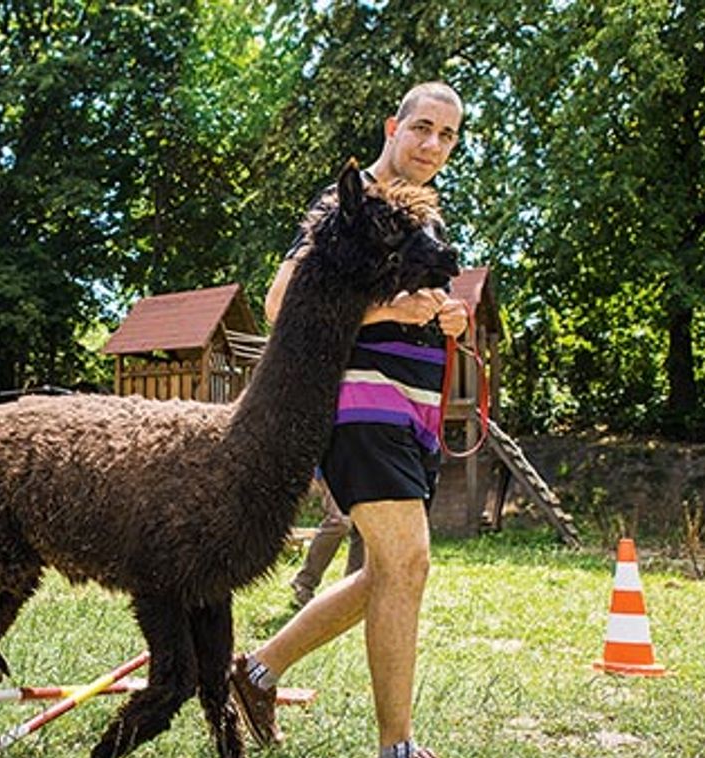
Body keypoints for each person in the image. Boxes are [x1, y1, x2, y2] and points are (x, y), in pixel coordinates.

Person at [230, 82, 469, 758]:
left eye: (446, 136)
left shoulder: (427, 216)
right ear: (392, 126)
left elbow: (422, 297)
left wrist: (450, 315)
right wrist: (388, 313)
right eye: (420, 128)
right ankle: (397, 746)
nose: (430, 145)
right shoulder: (346, 201)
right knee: (407, 562)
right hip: (358, 399)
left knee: (396, 570)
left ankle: (256, 671)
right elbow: (282, 303)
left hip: (414, 407)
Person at [288, 477, 363, 606]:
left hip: (367, 469)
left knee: (363, 526)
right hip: (335, 467)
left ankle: (350, 593)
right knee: (339, 521)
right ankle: (304, 582)